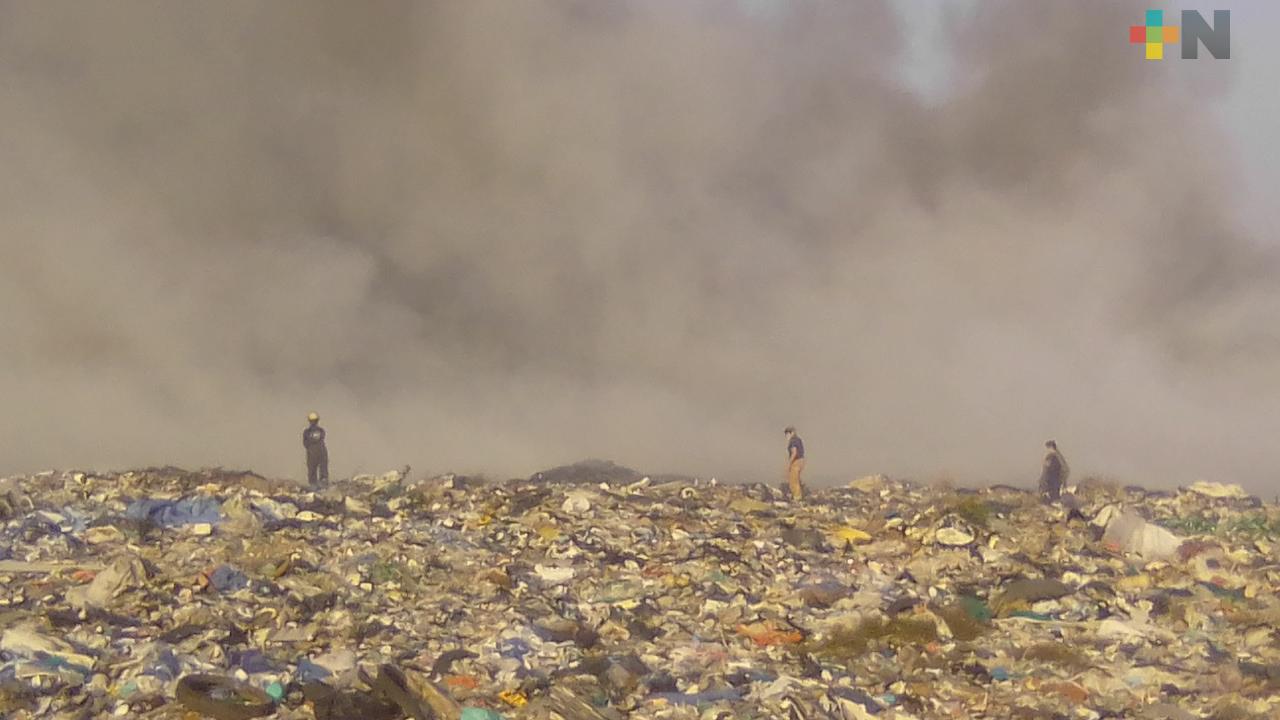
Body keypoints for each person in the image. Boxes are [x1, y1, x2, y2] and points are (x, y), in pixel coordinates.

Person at [303, 412, 328, 485]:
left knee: (313, 472)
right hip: (320, 452)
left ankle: (315, 486)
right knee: (322, 470)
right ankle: (322, 486)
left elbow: (305, 443)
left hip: (313, 453)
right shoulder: (321, 430)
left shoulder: (306, 432)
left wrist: (311, 448)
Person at [784, 426, 805, 501]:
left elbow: (794, 452)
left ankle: (797, 498)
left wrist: (789, 463)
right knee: (796, 480)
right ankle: (798, 496)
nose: (786, 436)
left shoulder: (793, 441)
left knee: (793, 480)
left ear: (791, 433)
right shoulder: (798, 440)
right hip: (801, 461)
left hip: (796, 461)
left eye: (787, 434)